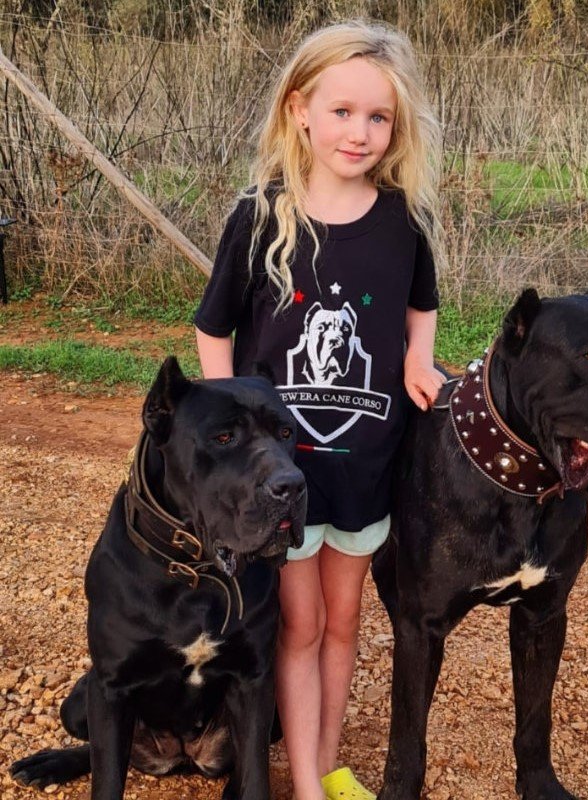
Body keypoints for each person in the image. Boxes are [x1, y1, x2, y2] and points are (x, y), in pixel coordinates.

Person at [193, 21, 446, 800]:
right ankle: (303, 783)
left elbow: (420, 313)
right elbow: (213, 331)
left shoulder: (405, 221)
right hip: (284, 478)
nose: (360, 133)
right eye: (342, 112)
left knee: (343, 626)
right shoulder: (262, 215)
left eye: (379, 118)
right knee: (298, 628)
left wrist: (418, 360)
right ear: (300, 109)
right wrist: (226, 435)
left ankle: (328, 765)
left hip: (367, 466)